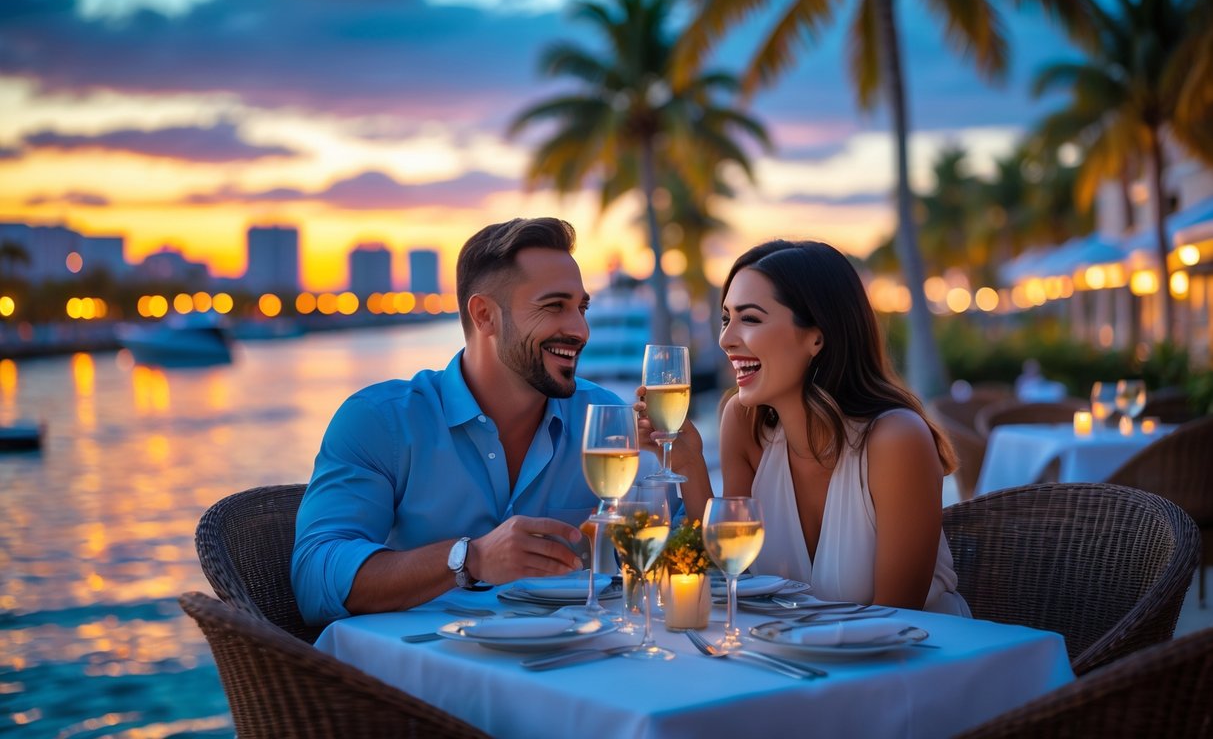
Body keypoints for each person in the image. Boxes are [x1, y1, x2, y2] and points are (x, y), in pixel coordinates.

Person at [291, 217, 623, 624]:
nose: (580, 329)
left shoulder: (605, 419)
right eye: (554, 306)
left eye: (581, 307)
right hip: (409, 680)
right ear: (484, 315)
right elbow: (314, 578)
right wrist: (471, 559)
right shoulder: (382, 421)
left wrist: (685, 466)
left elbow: (678, 545)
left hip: (569, 664)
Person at [639, 240, 970, 615]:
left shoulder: (896, 440)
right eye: (726, 318)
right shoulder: (743, 421)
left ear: (817, 336)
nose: (726, 339)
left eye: (750, 318)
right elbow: (731, 575)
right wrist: (690, 466)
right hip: (801, 660)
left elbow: (896, 618)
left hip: (919, 663)